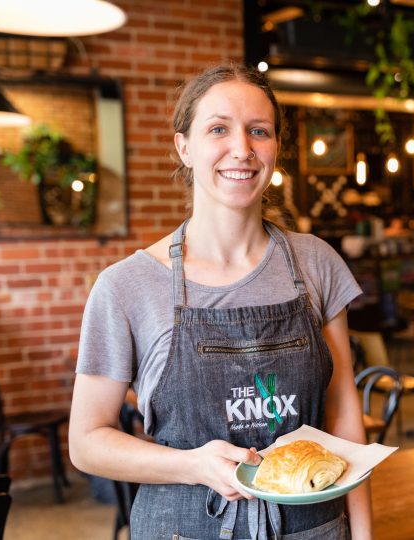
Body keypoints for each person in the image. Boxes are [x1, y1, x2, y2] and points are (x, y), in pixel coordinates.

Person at [68, 63, 370, 539]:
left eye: (259, 131)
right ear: (184, 147)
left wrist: (364, 535)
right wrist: (195, 465)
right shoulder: (126, 286)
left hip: (314, 530)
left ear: (275, 148)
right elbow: (87, 443)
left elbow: (344, 416)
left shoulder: (316, 263)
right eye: (218, 129)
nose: (243, 150)